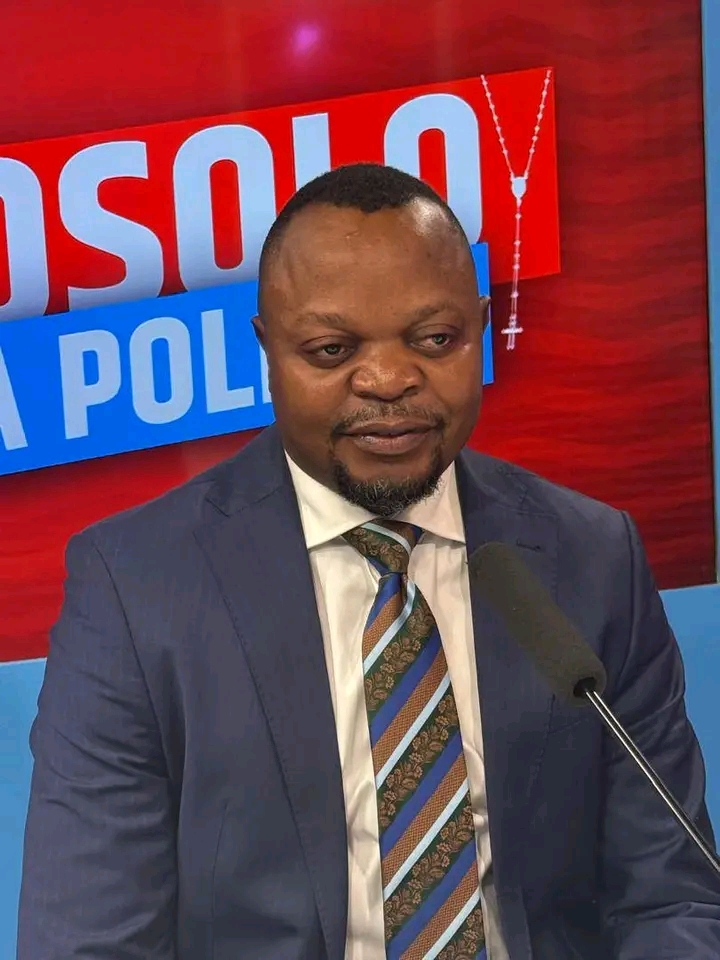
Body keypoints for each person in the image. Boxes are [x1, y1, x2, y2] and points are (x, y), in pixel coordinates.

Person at [17, 162, 720, 960]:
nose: (389, 380)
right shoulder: (136, 586)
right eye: (331, 349)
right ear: (267, 351)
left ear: (481, 328)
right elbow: (87, 940)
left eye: (436, 340)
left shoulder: (592, 557)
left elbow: (673, 894)